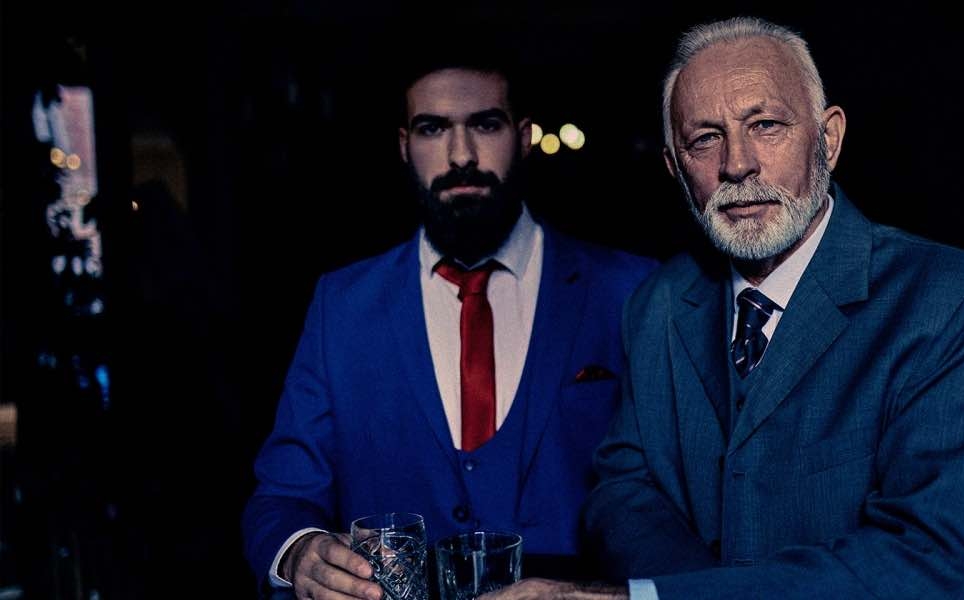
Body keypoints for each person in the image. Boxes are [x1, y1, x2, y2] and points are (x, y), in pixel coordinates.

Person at [490, 15, 964, 600]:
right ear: (675, 167)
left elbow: (929, 559)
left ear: (829, 138)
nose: (736, 164)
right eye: (705, 138)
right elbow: (622, 491)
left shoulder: (955, 300)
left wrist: (665, 598)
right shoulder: (658, 303)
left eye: (765, 125)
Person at [241, 51, 656, 599]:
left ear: (524, 136)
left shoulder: (632, 292)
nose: (461, 155)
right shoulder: (341, 307)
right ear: (403, 146)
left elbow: (683, 503)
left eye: (485, 124)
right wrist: (300, 552)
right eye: (432, 128)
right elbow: (281, 496)